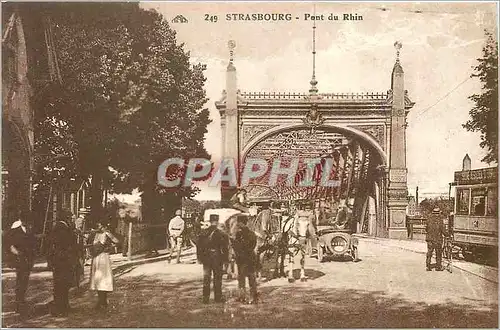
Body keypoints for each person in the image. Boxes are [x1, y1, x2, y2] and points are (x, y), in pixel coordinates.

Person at [48, 210, 78, 316]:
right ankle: (59, 309)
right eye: (70, 217)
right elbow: (64, 245)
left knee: (64, 284)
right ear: (66, 218)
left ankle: (64, 306)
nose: (72, 220)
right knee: (61, 285)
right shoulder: (61, 228)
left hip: (63, 260)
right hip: (61, 261)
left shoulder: (63, 227)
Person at [5, 213, 35, 315]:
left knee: (24, 281)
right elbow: (9, 244)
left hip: (28, 260)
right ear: (21, 220)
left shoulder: (29, 230)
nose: (27, 223)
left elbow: (32, 243)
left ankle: (22, 301)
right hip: (20, 260)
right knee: (20, 282)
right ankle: (18, 304)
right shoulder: (15, 231)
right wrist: (17, 252)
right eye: (25, 221)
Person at [197, 214, 229, 304]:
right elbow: (225, 248)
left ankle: (205, 298)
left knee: (206, 278)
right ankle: (218, 298)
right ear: (217, 221)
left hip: (206, 258)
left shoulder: (203, 232)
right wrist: (226, 259)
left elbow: (199, 246)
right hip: (217, 257)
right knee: (217, 278)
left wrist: (199, 258)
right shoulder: (221, 233)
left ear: (210, 221)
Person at [89, 222, 119, 311]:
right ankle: (101, 300)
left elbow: (117, 241)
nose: (98, 227)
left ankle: (103, 300)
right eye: (97, 225)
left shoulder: (107, 233)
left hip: (103, 258)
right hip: (96, 258)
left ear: (104, 226)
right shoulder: (94, 234)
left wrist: (110, 247)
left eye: (100, 225)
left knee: (103, 279)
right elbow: (90, 245)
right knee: (97, 279)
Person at [232, 214, 258, 304]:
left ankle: (242, 296)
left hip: (242, 259)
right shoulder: (252, 233)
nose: (237, 224)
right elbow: (253, 244)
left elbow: (236, 246)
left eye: (238, 222)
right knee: (251, 278)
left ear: (240, 222)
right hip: (251, 257)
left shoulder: (239, 234)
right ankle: (253, 297)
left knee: (242, 279)